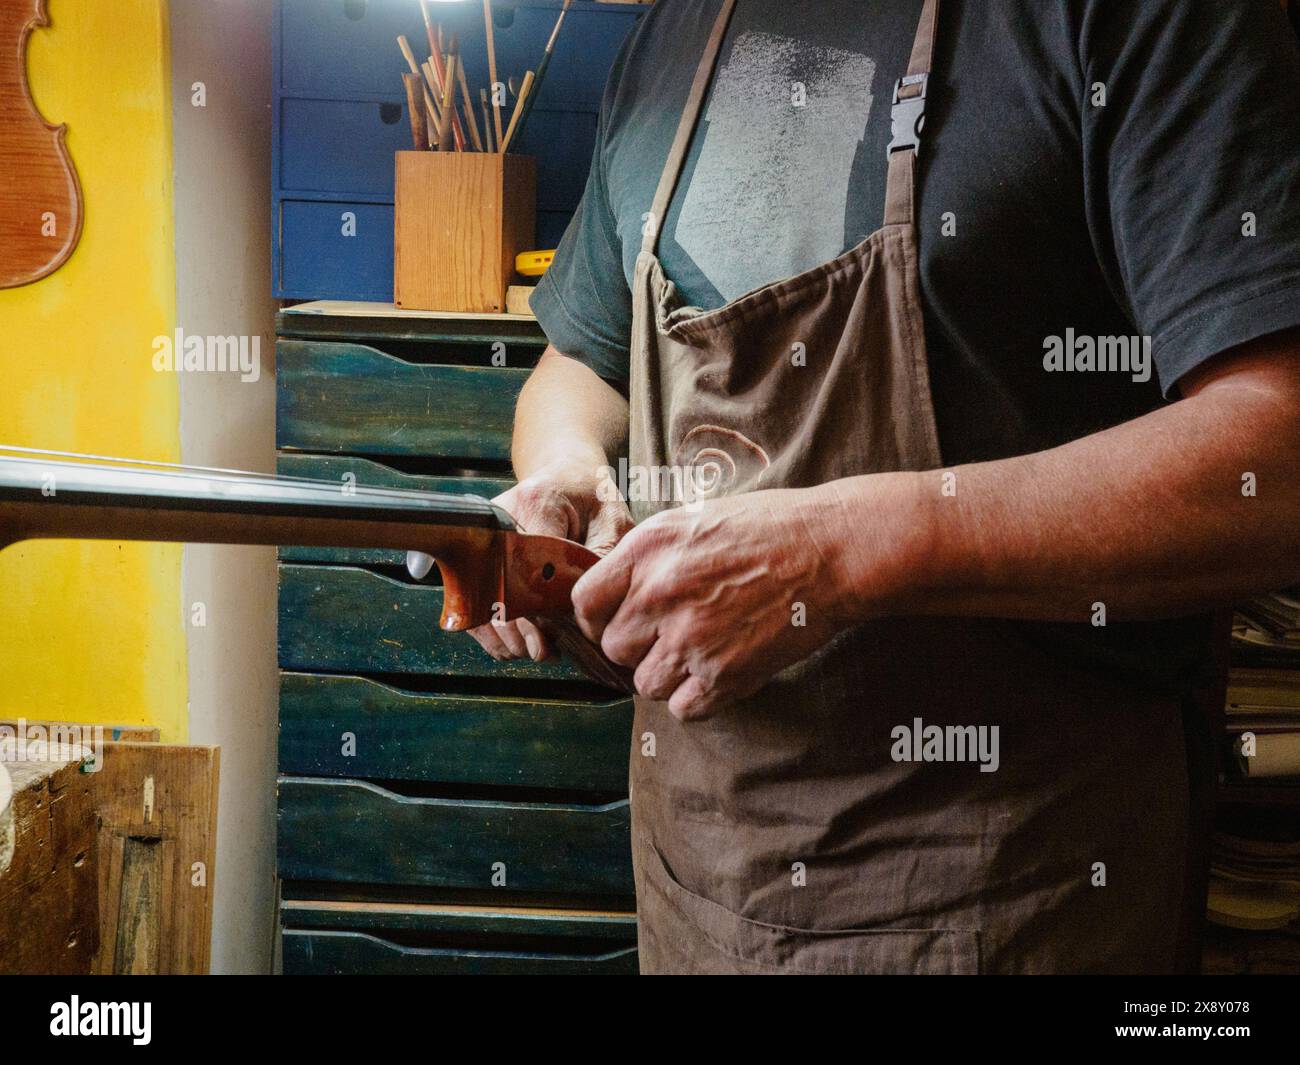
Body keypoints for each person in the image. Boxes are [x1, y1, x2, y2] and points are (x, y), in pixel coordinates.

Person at [471, 0, 1300, 973]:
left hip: (1012, 888)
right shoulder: (669, 34)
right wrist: (562, 467)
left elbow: (1275, 456)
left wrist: (834, 551)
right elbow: (582, 361)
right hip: (697, 885)